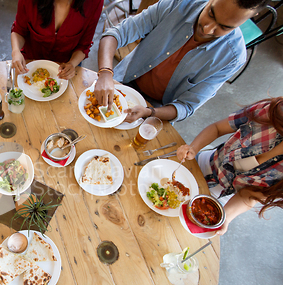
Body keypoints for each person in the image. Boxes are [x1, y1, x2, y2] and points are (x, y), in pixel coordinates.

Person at [95, 0, 267, 123]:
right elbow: (116, 34)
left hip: (157, 109)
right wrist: (105, 73)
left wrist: (149, 112)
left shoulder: (232, 58)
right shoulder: (179, 4)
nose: (207, 28)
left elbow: (187, 106)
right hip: (120, 79)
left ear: (249, 18)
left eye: (224, 27)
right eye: (211, 13)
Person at [177, 97, 283, 235]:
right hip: (201, 164)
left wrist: (226, 217)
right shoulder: (270, 112)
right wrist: (193, 148)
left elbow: (248, 196)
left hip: (219, 197)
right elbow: (217, 128)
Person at [11, 0, 103, 80]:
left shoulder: (94, 3)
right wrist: (16, 51)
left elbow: (84, 45)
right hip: (30, 62)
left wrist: (72, 63)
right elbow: (19, 31)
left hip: (67, 67)